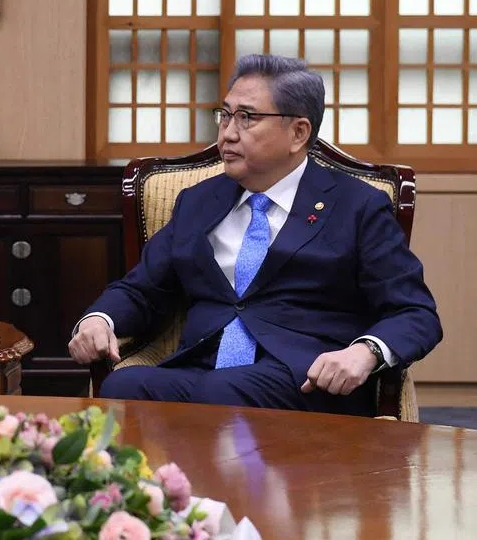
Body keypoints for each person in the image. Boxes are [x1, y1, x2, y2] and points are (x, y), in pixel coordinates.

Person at [69, 54, 442, 416]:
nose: (228, 134)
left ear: (298, 132)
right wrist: (100, 319)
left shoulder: (357, 206)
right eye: (225, 115)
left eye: (246, 118)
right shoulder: (198, 201)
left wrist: (365, 352)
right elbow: (142, 289)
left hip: (304, 380)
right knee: (124, 387)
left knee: (222, 393)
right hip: (204, 369)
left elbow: (415, 312)